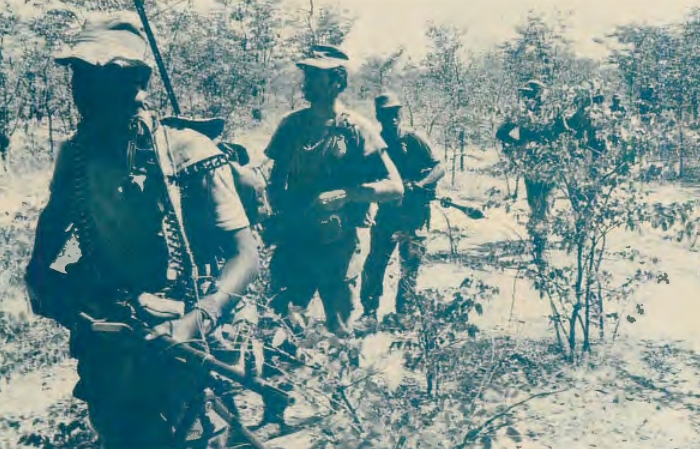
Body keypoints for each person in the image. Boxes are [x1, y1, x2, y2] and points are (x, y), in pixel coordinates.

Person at [23, 14, 260, 448]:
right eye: (78, 75)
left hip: (181, 337)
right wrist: (40, 278)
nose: (80, 89)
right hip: (108, 344)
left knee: (191, 436)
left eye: (94, 75)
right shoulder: (76, 155)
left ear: (134, 79)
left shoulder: (190, 151)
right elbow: (52, 228)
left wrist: (198, 318)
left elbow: (246, 254)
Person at [259, 44, 403, 426]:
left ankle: (346, 412)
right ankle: (275, 410)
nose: (306, 82)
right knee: (281, 323)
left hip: (337, 246)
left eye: (316, 75)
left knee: (340, 326)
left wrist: (349, 195)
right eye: (305, 74)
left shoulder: (357, 128)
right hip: (293, 242)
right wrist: (276, 213)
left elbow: (395, 187)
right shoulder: (292, 126)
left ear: (337, 80)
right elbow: (273, 180)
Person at [358, 92, 445, 328]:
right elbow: (365, 176)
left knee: (410, 264)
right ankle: (369, 312)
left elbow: (438, 168)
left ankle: (403, 314)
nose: (392, 119)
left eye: (395, 113)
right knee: (375, 262)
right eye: (386, 114)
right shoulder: (376, 144)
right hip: (387, 213)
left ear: (401, 114)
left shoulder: (414, 139)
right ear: (378, 116)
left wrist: (419, 185)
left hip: (415, 214)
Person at [495, 79, 565, 264]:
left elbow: (566, 131)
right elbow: (501, 133)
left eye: (530, 94)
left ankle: (541, 247)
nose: (527, 98)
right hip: (532, 165)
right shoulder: (521, 114)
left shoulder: (554, 112)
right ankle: (539, 246)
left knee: (545, 204)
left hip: (550, 164)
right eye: (525, 95)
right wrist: (518, 146)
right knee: (537, 205)